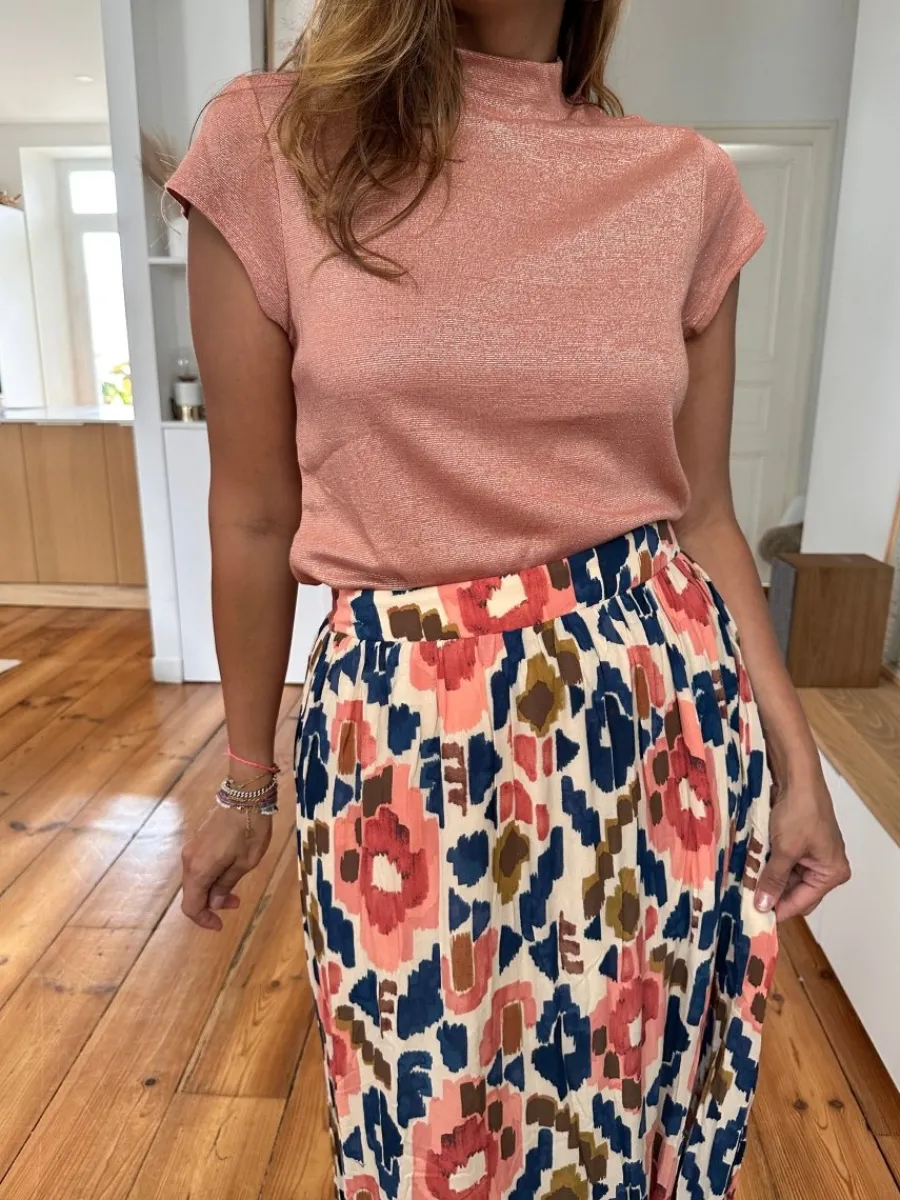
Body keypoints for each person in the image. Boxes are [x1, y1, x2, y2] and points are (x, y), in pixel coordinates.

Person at [170, 1, 850, 1196]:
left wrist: (799, 768)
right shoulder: (273, 147)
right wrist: (244, 778)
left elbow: (701, 516)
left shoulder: (682, 184)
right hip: (402, 750)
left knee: (626, 1112)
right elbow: (255, 513)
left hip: (650, 732)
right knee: (426, 1125)